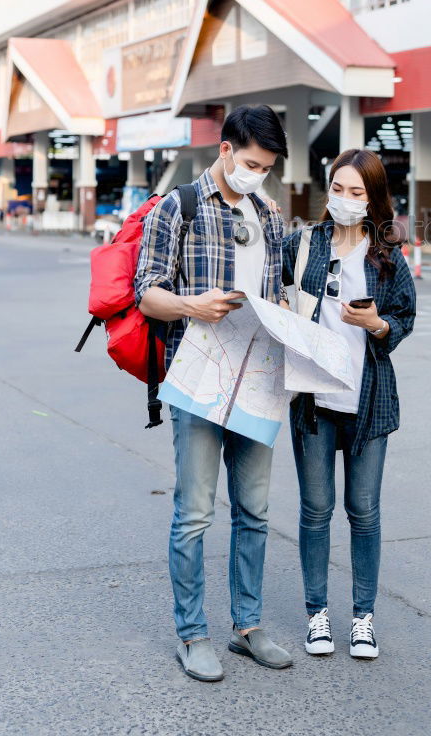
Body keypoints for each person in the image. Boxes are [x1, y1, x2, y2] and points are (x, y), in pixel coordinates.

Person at [135, 104, 293, 682]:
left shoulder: (269, 216)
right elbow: (146, 293)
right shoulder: (176, 207)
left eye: (267, 168)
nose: (258, 174)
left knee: (254, 512)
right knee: (195, 514)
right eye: (251, 162)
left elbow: (277, 292)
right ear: (225, 149)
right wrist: (191, 306)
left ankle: (247, 628)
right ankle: (192, 633)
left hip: (258, 380)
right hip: (197, 380)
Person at [282, 148, 416, 661]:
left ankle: (363, 618)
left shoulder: (385, 253)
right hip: (313, 401)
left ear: (374, 198)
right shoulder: (306, 244)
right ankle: (317, 612)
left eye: (357, 193)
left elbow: (403, 317)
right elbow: (278, 295)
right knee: (316, 511)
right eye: (338, 189)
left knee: (364, 512)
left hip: (369, 401)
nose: (344, 200)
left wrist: (376, 325)